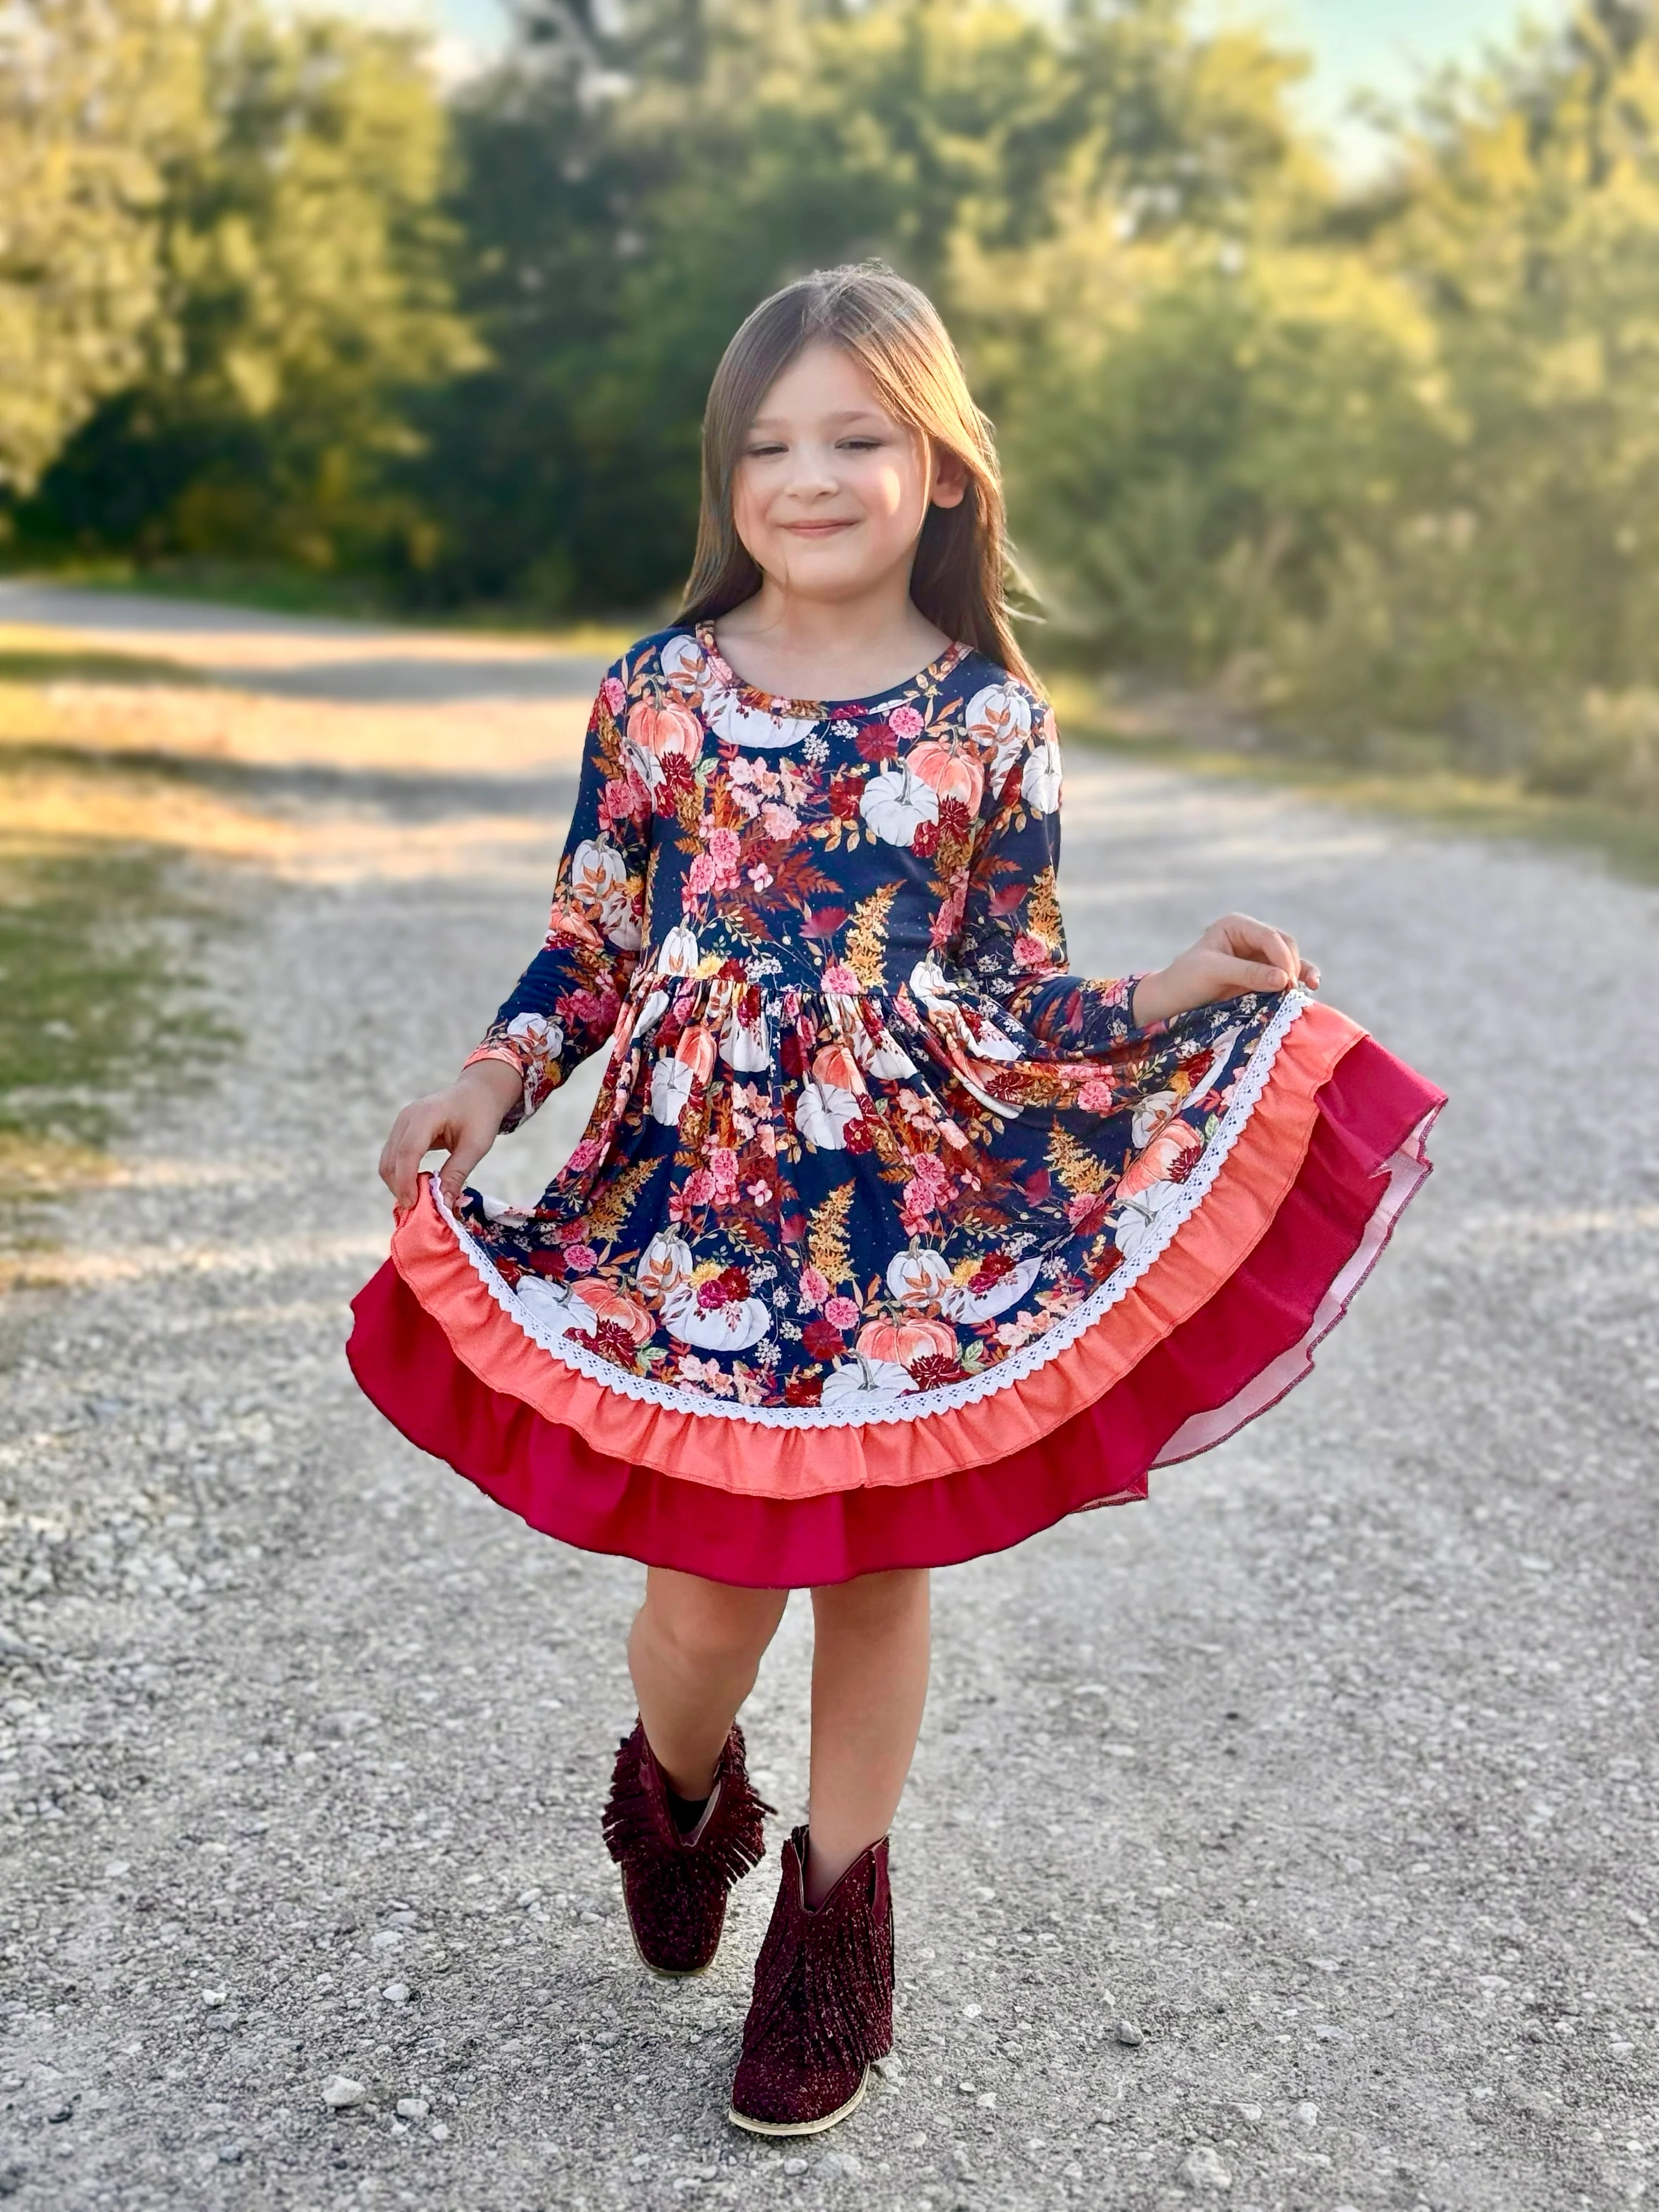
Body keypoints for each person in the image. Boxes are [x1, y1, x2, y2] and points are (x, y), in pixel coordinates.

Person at [349, 263, 1444, 2138]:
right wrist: (493, 1077)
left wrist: (1173, 994)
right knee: (703, 1602)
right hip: (692, 1207)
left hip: (910, 1215)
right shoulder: (659, 697)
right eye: (771, 443)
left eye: (857, 436)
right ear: (729, 477)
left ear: (938, 468)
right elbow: (596, 942)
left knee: (873, 1570)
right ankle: (673, 1793)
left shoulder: (991, 725)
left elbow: (1007, 996)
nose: (811, 475)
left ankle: (836, 1938)